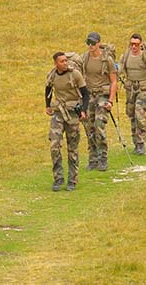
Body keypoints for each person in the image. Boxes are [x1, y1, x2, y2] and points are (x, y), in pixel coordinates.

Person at [45, 52, 89, 191]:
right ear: (56, 63)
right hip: (58, 113)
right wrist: (47, 105)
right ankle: (58, 178)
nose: (65, 63)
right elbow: (48, 89)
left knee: (72, 148)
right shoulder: (52, 75)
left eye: (66, 61)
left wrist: (83, 110)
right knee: (54, 146)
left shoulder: (75, 74)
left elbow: (85, 93)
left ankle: (72, 180)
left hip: (72, 114)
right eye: (62, 61)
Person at [81, 32, 117, 171]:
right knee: (89, 127)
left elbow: (114, 81)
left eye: (93, 43)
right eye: (88, 42)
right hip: (89, 96)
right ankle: (93, 158)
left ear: (98, 43)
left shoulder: (106, 60)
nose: (90, 45)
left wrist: (110, 101)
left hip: (102, 95)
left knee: (99, 125)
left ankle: (103, 158)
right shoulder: (84, 58)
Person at [119, 33, 146, 155]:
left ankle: (141, 142)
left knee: (139, 114)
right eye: (132, 44)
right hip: (130, 89)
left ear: (141, 44)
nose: (134, 47)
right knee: (131, 115)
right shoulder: (125, 56)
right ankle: (135, 142)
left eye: (136, 44)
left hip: (143, 89)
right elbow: (119, 69)